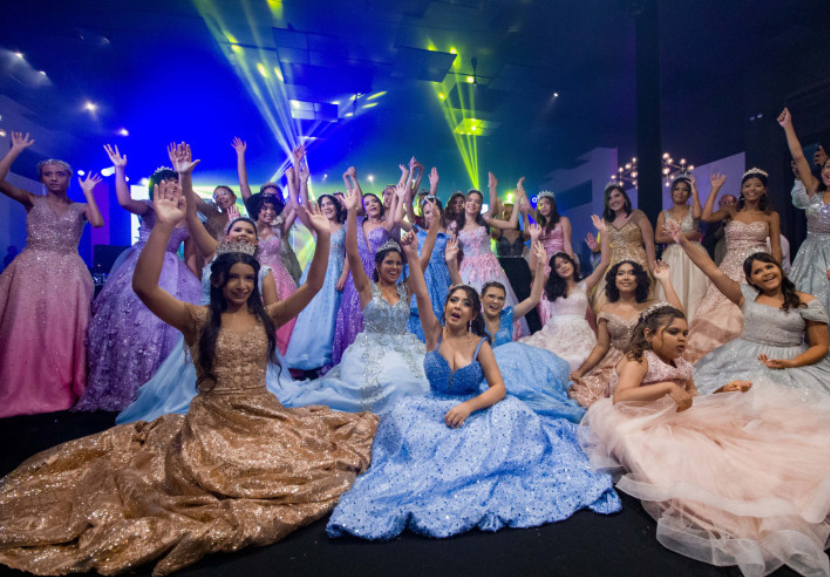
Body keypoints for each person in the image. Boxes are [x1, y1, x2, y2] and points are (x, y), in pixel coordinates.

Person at [0, 180, 377, 576]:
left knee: (304, 466)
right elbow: (144, 287)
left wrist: (321, 236)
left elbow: (315, 284)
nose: (242, 285)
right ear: (218, 280)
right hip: (214, 421)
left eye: (249, 279)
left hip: (263, 415)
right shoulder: (198, 320)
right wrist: (162, 227)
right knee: (217, 477)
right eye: (234, 278)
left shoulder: (267, 317)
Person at [326, 234, 621, 541]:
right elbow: (423, 295)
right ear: (447, 306)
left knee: (507, 425)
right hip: (431, 407)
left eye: (466, 303)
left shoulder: (481, 346)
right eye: (454, 300)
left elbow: (498, 389)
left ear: (473, 313)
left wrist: (469, 406)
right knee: (403, 430)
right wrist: (412, 256)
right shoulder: (433, 333)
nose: (458, 306)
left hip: (472, 408)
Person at [579, 305, 830, 577]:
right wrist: (667, 387)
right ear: (650, 334)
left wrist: (724, 391)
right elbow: (622, 397)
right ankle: (720, 510)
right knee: (678, 458)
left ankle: (759, 499)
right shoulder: (639, 358)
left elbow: (695, 401)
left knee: (735, 448)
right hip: (635, 419)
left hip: (674, 418)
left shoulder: (684, 366)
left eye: (686, 333)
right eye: (673, 332)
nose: (682, 339)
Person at [115, 145, 289, 424]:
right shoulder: (215, 252)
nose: (243, 233)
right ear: (226, 237)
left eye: (248, 231)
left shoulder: (264, 271)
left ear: (256, 241)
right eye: (237, 230)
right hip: (208, 331)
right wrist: (185, 178)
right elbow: (193, 217)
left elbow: (274, 311)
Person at [278, 182, 429, 414]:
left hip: (405, 350)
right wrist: (350, 212)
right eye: (389, 262)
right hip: (372, 351)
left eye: (398, 263)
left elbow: (424, 258)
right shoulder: (366, 287)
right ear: (377, 265)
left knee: (420, 385)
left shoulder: (405, 289)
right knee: (389, 385)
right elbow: (352, 252)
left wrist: (433, 227)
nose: (395, 267)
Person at [76, 146, 201, 412]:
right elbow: (123, 202)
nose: (168, 188)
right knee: (131, 324)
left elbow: (190, 258)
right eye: (163, 184)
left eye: (173, 183)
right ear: (155, 189)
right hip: (142, 265)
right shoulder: (148, 209)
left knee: (171, 328)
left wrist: (198, 288)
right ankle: (130, 385)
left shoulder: (189, 220)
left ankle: (166, 387)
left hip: (177, 273)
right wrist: (119, 169)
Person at [0, 131, 104, 418]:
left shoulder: (80, 207)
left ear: (69, 177)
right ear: (42, 178)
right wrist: (15, 150)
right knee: (27, 328)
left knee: (63, 330)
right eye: (48, 174)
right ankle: (23, 385)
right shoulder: (31, 200)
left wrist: (89, 192)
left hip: (69, 271)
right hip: (31, 268)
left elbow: (97, 222)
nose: (54, 178)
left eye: (60, 174)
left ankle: (61, 386)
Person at [665, 219, 830, 397]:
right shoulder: (746, 296)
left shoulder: (806, 301)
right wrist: (683, 241)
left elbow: (821, 346)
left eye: (769, 267)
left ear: (780, 269)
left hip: (793, 363)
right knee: (730, 396)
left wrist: (792, 363)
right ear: (751, 280)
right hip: (744, 359)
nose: (766, 273)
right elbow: (711, 270)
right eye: (757, 272)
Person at [682, 170, 782, 362]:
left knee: (752, 309)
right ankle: (716, 357)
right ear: (742, 189)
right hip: (731, 265)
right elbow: (706, 216)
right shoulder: (731, 211)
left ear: (765, 189)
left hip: (758, 267)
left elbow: (776, 247)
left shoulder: (771, 215)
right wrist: (715, 189)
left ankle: (752, 355)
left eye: (757, 185)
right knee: (719, 310)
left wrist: (777, 274)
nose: (752, 189)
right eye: (747, 186)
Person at [569, 260, 681, 408]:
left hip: (644, 361)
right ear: (614, 280)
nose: (626, 277)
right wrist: (581, 370)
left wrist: (665, 280)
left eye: (632, 273)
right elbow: (601, 347)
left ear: (638, 279)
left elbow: (678, 316)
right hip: (614, 364)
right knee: (600, 397)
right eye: (621, 274)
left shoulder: (651, 305)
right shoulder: (606, 309)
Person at [520, 215, 610, 371]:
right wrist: (534, 240)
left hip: (580, 335)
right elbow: (534, 269)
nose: (563, 266)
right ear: (554, 271)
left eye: (565, 262)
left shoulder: (585, 285)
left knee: (578, 361)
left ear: (572, 263)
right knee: (541, 358)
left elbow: (605, 263)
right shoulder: (550, 286)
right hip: (554, 333)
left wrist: (604, 233)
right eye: (558, 266)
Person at [330, 166, 399, 367]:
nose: (371, 205)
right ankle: (351, 359)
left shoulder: (387, 224)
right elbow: (351, 253)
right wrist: (344, 274)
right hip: (357, 273)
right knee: (351, 313)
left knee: (375, 313)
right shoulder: (358, 222)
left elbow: (394, 214)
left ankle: (376, 359)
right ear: (363, 208)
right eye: (366, 203)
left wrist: (398, 196)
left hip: (379, 274)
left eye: (374, 201)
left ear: (379, 204)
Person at [453, 172, 529, 336]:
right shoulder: (455, 226)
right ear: (465, 203)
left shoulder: (485, 220)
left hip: (490, 269)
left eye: (477, 201)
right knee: (469, 304)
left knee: (496, 302)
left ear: (481, 206)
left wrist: (516, 201)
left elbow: (511, 223)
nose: (473, 203)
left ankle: (500, 338)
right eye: (470, 200)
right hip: (468, 271)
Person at [285, 190, 349, 373]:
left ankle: (325, 359)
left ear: (336, 206)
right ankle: (303, 357)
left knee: (331, 313)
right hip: (316, 272)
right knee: (310, 312)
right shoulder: (316, 225)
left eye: (330, 203)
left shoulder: (345, 227)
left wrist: (344, 274)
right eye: (323, 205)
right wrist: (303, 183)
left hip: (336, 273)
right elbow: (300, 206)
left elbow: (349, 254)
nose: (326, 207)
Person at [778, 107, 830, 332]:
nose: (829, 171)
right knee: (803, 302)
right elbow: (798, 156)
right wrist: (787, 126)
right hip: (809, 253)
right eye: (828, 167)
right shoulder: (814, 192)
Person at [591, 183, 657, 313]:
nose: (614, 200)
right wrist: (596, 247)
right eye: (610, 198)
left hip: (638, 262)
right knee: (608, 301)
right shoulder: (605, 221)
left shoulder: (638, 215)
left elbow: (649, 243)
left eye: (617, 195)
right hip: (613, 264)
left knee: (641, 301)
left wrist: (652, 267)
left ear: (624, 197)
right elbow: (604, 247)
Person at [654, 173, 709, 322]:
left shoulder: (693, 209)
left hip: (693, 253)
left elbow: (698, 215)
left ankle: (695, 325)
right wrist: (684, 237)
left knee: (695, 291)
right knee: (674, 288)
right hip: (673, 255)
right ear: (671, 192)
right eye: (676, 189)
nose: (680, 192)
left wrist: (695, 190)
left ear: (689, 193)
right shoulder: (664, 214)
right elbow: (658, 238)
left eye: (685, 190)